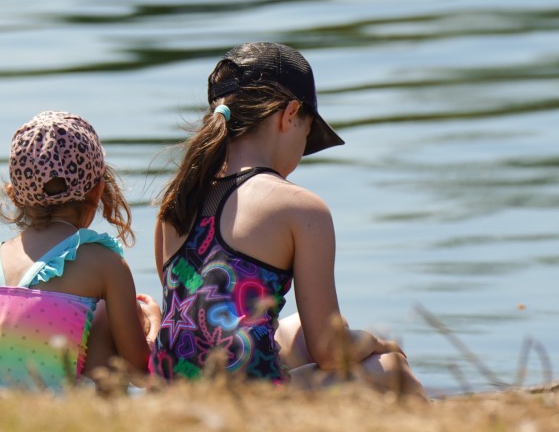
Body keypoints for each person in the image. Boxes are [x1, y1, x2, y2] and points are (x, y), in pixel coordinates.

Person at [151, 42, 425, 397]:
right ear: (290, 114)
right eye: (307, 134)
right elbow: (329, 352)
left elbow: (200, 324)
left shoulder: (174, 204)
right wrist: (377, 342)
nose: (303, 151)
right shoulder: (300, 208)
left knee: (296, 330)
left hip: (174, 392)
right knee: (392, 370)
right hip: (247, 404)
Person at [0, 111, 161, 392]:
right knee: (104, 312)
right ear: (97, 190)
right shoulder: (105, 263)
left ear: (14, 193)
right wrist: (153, 326)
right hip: (59, 415)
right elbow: (139, 371)